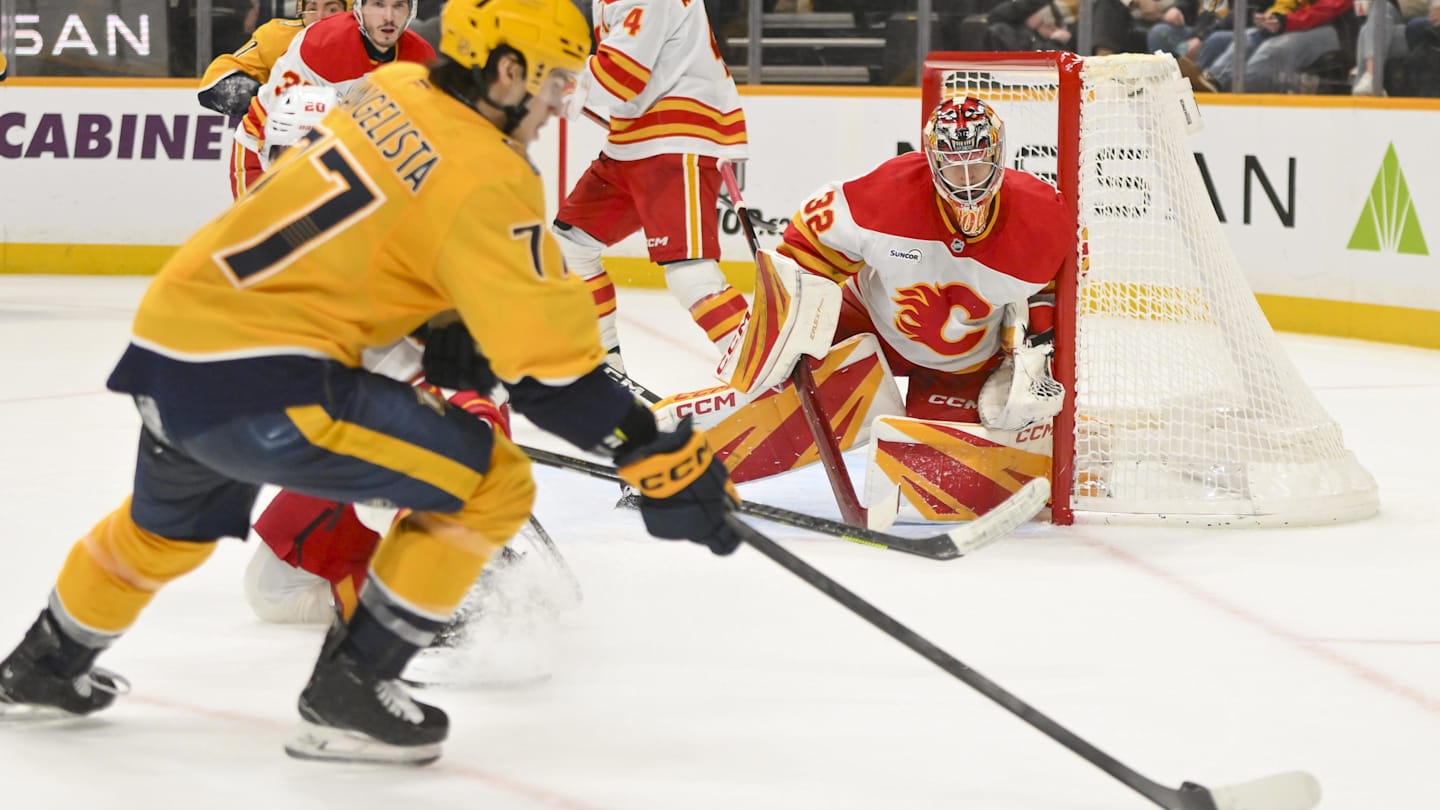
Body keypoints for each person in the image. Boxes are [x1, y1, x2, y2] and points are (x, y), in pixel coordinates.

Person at [0, 0, 739, 767]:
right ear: (510, 70)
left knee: (162, 530)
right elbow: (553, 375)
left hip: (174, 338)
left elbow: (373, 226)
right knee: (494, 484)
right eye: (554, 81)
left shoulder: (393, 90)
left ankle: (41, 667)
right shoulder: (492, 177)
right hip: (271, 383)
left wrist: (442, 321)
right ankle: (351, 693)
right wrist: (653, 451)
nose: (562, 103)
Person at [774, 96, 1068, 429]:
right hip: (867, 323)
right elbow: (806, 245)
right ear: (932, 161)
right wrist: (787, 319)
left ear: (998, 156)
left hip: (963, 367)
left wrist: (1038, 353)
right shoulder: (891, 191)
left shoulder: (1040, 215)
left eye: (977, 162)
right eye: (954, 165)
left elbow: (1053, 291)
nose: (968, 179)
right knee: (783, 396)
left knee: (939, 468)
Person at [552, 0, 750, 375]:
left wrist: (544, 75)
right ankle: (602, 366)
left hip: (675, 135)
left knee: (691, 273)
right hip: (637, 137)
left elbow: (620, 77)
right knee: (568, 248)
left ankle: (770, 377)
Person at [228, 0, 434, 199]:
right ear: (359, 8)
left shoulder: (421, 58)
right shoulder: (320, 44)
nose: (389, 17)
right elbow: (282, 136)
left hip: (345, 165)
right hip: (263, 152)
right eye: (378, 4)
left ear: (410, 10)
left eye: (398, 5)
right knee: (273, 232)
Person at [198, 0, 349, 118]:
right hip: (284, 148)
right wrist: (276, 105)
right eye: (312, 7)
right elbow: (214, 84)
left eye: (332, 9)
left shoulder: (369, 45)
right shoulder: (277, 37)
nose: (319, 17)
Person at [1203, 0, 1353, 92]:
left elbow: (1327, 9)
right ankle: (1211, 81)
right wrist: (1272, 17)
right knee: (1243, 38)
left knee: (1272, 49)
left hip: (1334, 31)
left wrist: (1285, 21)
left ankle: (1228, 89)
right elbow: (1286, 4)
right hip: (1300, 24)